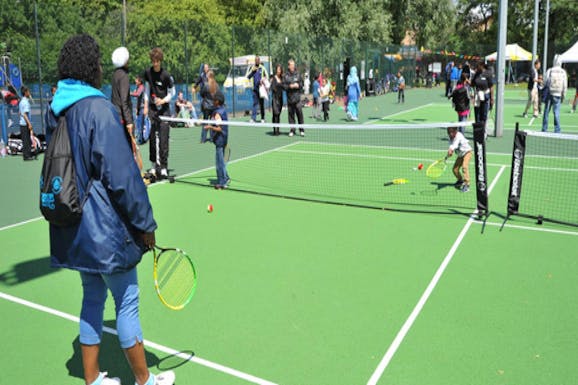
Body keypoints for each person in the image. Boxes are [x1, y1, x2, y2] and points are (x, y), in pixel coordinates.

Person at [45, 34, 175, 385]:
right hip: (104, 232)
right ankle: (146, 380)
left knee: (92, 298)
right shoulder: (98, 110)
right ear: (92, 66)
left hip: (72, 229)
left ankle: (93, 380)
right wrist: (146, 224)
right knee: (127, 301)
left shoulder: (56, 108)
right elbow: (124, 179)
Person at [142, 47, 175, 178]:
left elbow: (172, 92)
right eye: (153, 61)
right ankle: (153, 166)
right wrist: (145, 106)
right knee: (152, 138)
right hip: (152, 110)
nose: (155, 63)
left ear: (160, 61)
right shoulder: (148, 73)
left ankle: (164, 168)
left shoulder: (166, 75)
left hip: (164, 110)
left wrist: (163, 100)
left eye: (157, 61)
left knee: (163, 139)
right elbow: (147, 89)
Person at [110, 47, 137, 159]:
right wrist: (129, 121)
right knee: (128, 151)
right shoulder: (124, 76)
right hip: (123, 119)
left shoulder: (115, 74)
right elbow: (124, 100)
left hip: (115, 117)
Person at [204, 90, 230, 189]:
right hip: (223, 139)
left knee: (219, 162)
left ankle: (222, 182)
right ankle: (226, 177)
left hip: (220, 140)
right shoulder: (222, 110)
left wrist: (209, 127)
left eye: (214, 100)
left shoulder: (218, 113)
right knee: (221, 161)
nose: (212, 101)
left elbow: (219, 128)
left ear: (217, 101)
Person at [542, 55, 568, 133]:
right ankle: (557, 129)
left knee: (546, 111)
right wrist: (564, 95)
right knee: (556, 112)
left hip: (550, 92)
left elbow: (545, 81)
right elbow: (565, 85)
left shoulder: (550, 70)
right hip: (558, 94)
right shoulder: (563, 72)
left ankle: (544, 128)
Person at [447, 126, 472, 193]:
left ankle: (467, 184)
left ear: (455, 132)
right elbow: (451, 146)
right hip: (460, 155)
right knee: (455, 170)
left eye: (452, 132)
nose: (450, 134)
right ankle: (460, 180)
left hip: (467, 152)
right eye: (449, 133)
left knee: (464, 167)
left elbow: (454, 145)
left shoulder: (459, 135)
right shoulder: (450, 138)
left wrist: (451, 149)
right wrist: (450, 153)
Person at [471, 61, 494, 136]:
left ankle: (483, 133)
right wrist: (473, 96)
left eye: (478, 66)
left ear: (482, 66)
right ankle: (477, 133)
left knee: (483, 115)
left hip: (486, 97)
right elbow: (472, 85)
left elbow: (491, 87)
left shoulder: (488, 74)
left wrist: (492, 98)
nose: (476, 68)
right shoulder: (476, 74)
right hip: (477, 97)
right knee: (477, 116)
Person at [283, 59, 305, 137]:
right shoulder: (285, 75)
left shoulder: (298, 74)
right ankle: (292, 130)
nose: (293, 66)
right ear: (288, 66)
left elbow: (302, 84)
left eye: (293, 65)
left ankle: (302, 130)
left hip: (297, 99)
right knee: (291, 116)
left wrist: (298, 85)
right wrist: (290, 86)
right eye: (291, 65)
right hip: (290, 99)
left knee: (300, 115)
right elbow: (284, 86)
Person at [247, 55, 268, 123]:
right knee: (255, 103)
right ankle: (253, 118)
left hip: (261, 89)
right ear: (254, 61)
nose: (257, 61)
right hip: (254, 89)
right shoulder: (252, 68)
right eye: (256, 60)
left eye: (258, 60)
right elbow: (248, 76)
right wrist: (252, 71)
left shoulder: (262, 68)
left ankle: (262, 118)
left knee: (261, 104)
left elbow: (266, 76)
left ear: (259, 61)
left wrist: (263, 80)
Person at [19, 86, 35, 160]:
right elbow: (25, 114)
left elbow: (20, 112)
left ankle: (28, 154)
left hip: (23, 124)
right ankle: (27, 156)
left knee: (27, 139)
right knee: (26, 140)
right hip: (24, 124)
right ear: (25, 93)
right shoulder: (25, 102)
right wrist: (29, 124)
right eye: (28, 91)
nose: (29, 93)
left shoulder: (22, 101)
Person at [270, 64, 285, 135]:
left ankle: (278, 129)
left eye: (280, 69)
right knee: (275, 114)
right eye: (278, 69)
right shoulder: (274, 78)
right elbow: (272, 88)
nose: (278, 71)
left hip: (280, 99)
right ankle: (274, 130)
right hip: (275, 99)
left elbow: (285, 86)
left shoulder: (282, 78)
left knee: (278, 114)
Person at [131, 76, 145, 144]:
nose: (135, 81)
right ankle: (140, 139)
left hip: (142, 109)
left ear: (139, 81)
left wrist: (129, 93)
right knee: (139, 124)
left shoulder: (141, 87)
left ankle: (140, 140)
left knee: (140, 125)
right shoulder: (138, 87)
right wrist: (137, 109)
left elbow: (137, 94)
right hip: (139, 109)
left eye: (136, 80)